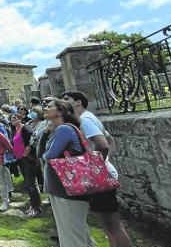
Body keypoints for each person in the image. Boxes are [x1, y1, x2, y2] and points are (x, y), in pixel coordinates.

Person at [61, 91, 132, 247]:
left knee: (113, 225)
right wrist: (105, 161)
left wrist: (97, 166)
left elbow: (103, 144)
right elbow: (110, 140)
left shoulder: (85, 120)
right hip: (102, 172)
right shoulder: (89, 117)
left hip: (100, 174)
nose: (63, 101)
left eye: (67, 99)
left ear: (78, 102)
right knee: (109, 223)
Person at [42, 98, 96, 247]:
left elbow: (48, 155)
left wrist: (45, 150)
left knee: (71, 236)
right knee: (79, 234)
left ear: (60, 111)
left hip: (65, 188)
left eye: (49, 106)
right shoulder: (60, 129)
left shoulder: (64, 129)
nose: (45, 108)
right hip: (65, 187)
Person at [22, 106, 46, 217]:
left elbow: (36, 139)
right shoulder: (29, 123)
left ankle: (37, 208)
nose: (32, 113)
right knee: (29, 182)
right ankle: (33, 204)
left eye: (35, 111)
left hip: (35, 154)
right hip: (27, 154)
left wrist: (29, 148)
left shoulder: (43, 124)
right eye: (32, 111)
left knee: (31, 182)